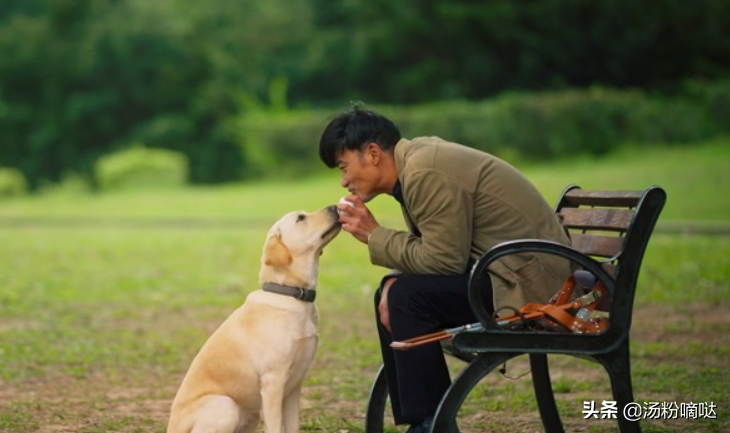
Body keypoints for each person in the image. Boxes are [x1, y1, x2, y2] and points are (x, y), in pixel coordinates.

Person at [318, 103, 573, 433]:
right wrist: (394, 276)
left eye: (343, 167)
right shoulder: (417, 164)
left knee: (406, 298)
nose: (343, 182)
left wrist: (374, 236)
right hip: (510, 272)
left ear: (372, 153)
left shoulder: (425, 172)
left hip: (534, 288)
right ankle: (428, 421)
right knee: (393, 291)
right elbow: (442, 255)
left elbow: (443, 261)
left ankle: (430, 425)